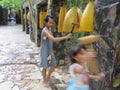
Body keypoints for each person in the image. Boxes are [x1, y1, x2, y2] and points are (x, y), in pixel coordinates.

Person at [40, 15, 72, 87]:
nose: (51, 24)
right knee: (44, 66)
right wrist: (66, 37)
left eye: (52, 23)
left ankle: (48, 77)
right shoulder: (45, 31)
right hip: (44, 51)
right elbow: (53, 39)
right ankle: (44, 80)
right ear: (45, 23)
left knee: (53, 64)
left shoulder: (49, 29)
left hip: (50, 50)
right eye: (50, 23)